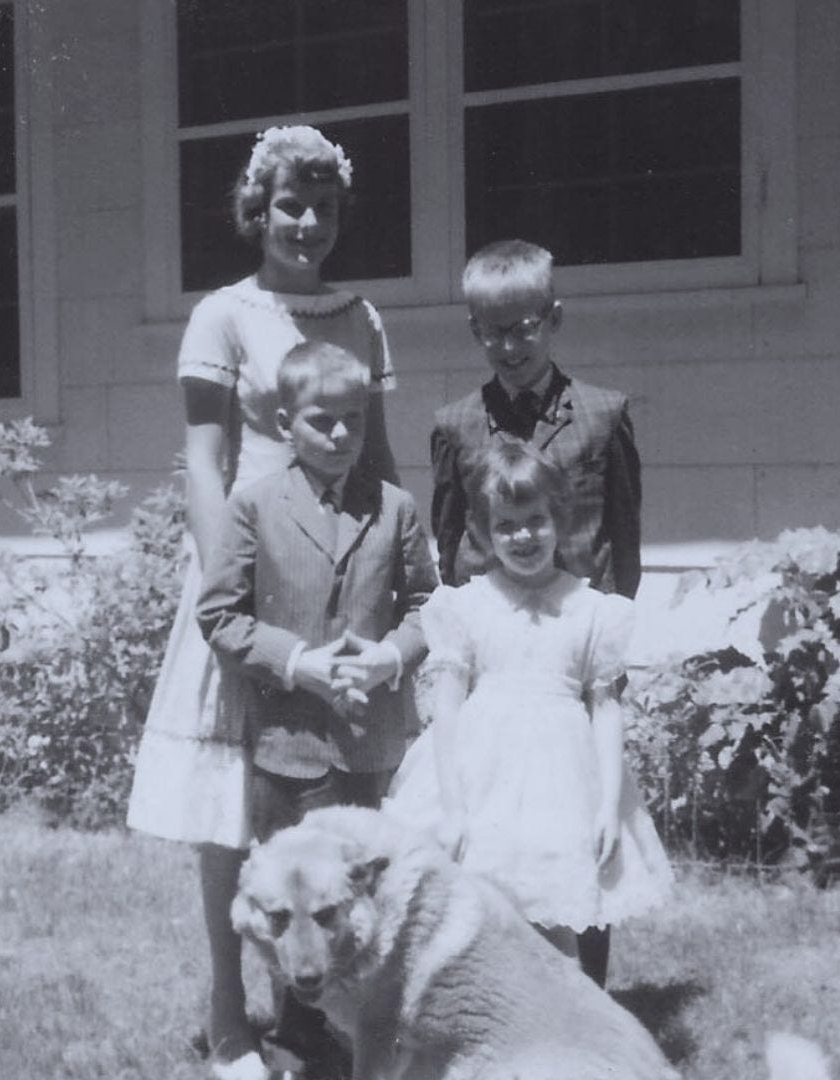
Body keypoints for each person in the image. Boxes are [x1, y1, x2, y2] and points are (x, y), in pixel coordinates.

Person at [125, 126, 400, 1080]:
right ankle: (228, 1012)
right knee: (234, 802)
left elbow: (382, 456)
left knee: (329, 785)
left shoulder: (360, 316)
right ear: (258, 209)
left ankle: (319, 1002)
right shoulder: (224, 317)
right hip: (245, 572)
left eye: (324, 207)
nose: (309, 224)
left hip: (345, 573)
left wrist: (399, 571)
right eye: (291, 204)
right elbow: (205, 461)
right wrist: (223, 585)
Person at [197, 339, 438, 1080]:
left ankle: (366, 1028)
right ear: (283, 422)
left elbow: (431, 605)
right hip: (289, 744)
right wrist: (298, 663)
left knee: (364, 893)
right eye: (322, 421)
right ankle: (302, 1037)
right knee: (293, 895)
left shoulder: (394, 507)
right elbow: (220, 614)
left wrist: (392, 655)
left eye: (355, 422)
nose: (340, 436)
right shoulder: (255, 506)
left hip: (371, 746)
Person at [428, 238, 642, 985]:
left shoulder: (604, 416)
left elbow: (623, 544)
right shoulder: (457, 424)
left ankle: (589, 1003)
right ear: (473, 331)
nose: (511, 345)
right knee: (489, 849)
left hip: (570, 654)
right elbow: (449, 543)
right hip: (493, 665)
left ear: (554, 319)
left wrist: (604, 664)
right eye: (493, 330)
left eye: (526, 327)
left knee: (580, 838)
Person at [384, 441, 672, 969]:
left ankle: (570, 1026)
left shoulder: (591, 611)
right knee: (481, 912)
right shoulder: (467, 606)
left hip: (562, 782)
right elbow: (446, 711)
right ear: (484, 530)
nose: (523, 536)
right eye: (507, 524)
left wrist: (607, 804)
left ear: (559, 518)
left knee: (555, 914)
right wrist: (452, 806)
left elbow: (605, 710)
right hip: (482, 777)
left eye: (535, 520)